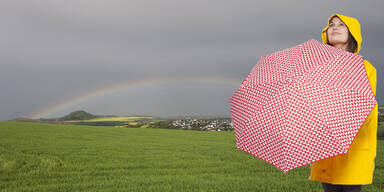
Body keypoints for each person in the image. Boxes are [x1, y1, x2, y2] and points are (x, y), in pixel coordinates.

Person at [308, 13, 378, 192]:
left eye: (341, 25)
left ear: (352, 33)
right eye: (331, 24)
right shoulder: (318, 69)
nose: (335, 27)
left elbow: (360, 108)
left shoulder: (365, 69)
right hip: (326, 152)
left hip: (352, 152)